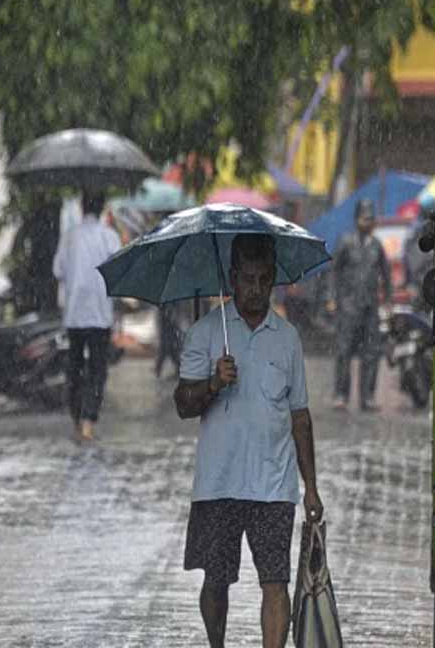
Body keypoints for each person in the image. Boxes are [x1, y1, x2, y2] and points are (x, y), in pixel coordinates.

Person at [174, 233, 324, 648]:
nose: (255, 289)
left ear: (272, 279)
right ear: (233, 278)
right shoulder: (206, 332)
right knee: (215, 580)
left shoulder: (287, 338)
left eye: (263, 280)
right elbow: (182, 404)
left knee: (275, 581)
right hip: (218, 481)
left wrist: (310, 487)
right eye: (247, 280)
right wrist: (212, 383)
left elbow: (300, 416)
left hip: (273, 483)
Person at [52, 191, 122, 442]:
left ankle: (76, 418)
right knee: (97, 369)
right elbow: (119, 269)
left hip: (74, 314)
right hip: (100, 314)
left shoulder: (69, 236)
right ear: (101, 208)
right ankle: (88, 421)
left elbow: (57, 270)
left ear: (82, 207)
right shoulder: (110, 236)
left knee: (75, 368)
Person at [326, 198, 392, 411]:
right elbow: (333, 271)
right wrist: (331, 297)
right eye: (364, 218)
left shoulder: (377, 246)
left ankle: (367, 397)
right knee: (343, 351)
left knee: (371, 352)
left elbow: (386, 275)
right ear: (356, 219)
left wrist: (388, 301)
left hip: (370, 307)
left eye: (371, 219)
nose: (368, 222)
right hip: (348, 306)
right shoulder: (346, 242)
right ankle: (341, 395)